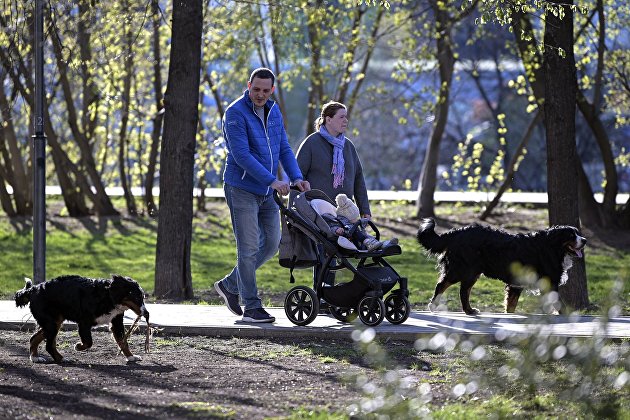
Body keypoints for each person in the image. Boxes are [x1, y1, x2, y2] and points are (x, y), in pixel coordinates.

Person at [214, 68, 310, 323]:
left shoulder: (274, 110)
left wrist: (296, 177)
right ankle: (251, 307)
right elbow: (242, 155)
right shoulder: (235, 114)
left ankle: (229, 285)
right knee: (247, 249)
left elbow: (283, 147)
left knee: (271, 244)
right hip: (242, 189)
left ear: (272, 90)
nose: (260, 94)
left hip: (268, 190)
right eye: (256, 89)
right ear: (249, 85)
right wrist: (273, 180)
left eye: (265, 91)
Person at [295, 101, 372, 294]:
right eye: (341, 116)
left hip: (345, 211)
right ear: (328, 119)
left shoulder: (348, 147)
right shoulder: (312, 143)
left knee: (344, 251)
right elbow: (296, 175)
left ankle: (336, 293)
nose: (346, 120)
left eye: (346, 116)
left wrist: (365, 211)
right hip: (319, 211)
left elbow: (358, 180)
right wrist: (298, 206)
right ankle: (322, 293)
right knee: (326, 252)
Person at [310, 194, 398, 251]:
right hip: (348, 238)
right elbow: (329, 228)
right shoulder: (333, 221)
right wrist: (337, 230)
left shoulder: (346, 221)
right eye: (354, 218)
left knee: (365, 234)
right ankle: (371, 243)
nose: (356, 219)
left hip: (356, 236)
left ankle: (384, 244)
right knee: (357, 232)